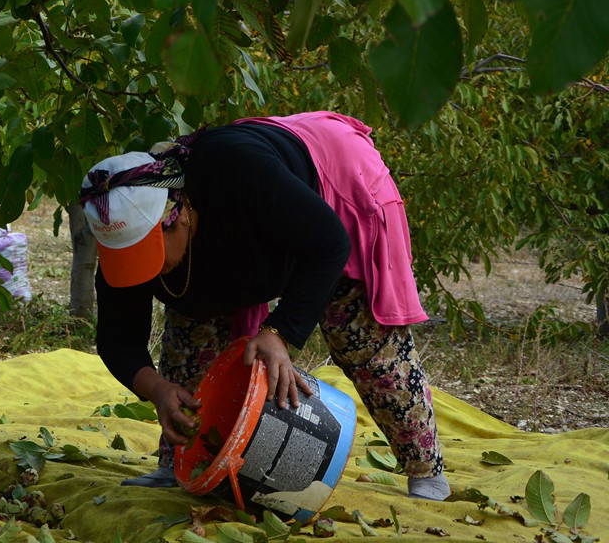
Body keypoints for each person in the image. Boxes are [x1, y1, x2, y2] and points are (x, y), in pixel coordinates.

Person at [80, 111, 450, 500]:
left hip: (330, 190)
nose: (146, 271)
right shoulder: (124, 234)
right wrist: (157, 390)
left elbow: (328, 244)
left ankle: (426, 472)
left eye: (149, 253)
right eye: (129, 257)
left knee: (362, 340)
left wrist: (280, 332)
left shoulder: (239, 172)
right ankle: (182, 464)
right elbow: (117, 338)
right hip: (240, 245)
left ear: (180, 213)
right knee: (191, 342)